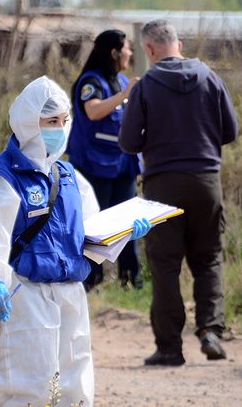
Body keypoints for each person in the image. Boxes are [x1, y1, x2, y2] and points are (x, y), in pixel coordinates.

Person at [0, 76, 151, 406]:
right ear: (28, 123)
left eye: (64, 120)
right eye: (51, 122)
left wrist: (121, 234)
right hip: (26, 293)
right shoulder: (2, 178)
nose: (60, 129)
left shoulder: (69, 176)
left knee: (75, 382)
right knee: (26, 384)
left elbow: (90, 236)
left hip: (71, 292)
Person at [119, 19, 238, 366]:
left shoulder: (146, 86)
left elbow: (128, 142)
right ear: (179, 44)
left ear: (149, 49)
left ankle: (170, 348)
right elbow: (230, 131)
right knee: (208, 259)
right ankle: (211, 330)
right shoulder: (210, 78)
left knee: (165, 265)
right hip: (206, 180)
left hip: (162, 184)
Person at [67, 29, 143, 291]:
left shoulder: (121, 80)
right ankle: (91, 280)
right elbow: (93, 111)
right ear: (114, 52)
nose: (130, 53)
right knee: (94, 224)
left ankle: (131, 280)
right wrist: (124, 95)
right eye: (127, 48)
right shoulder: (91, 82)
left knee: (128, 222)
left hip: (122, 164)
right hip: (94, 165)